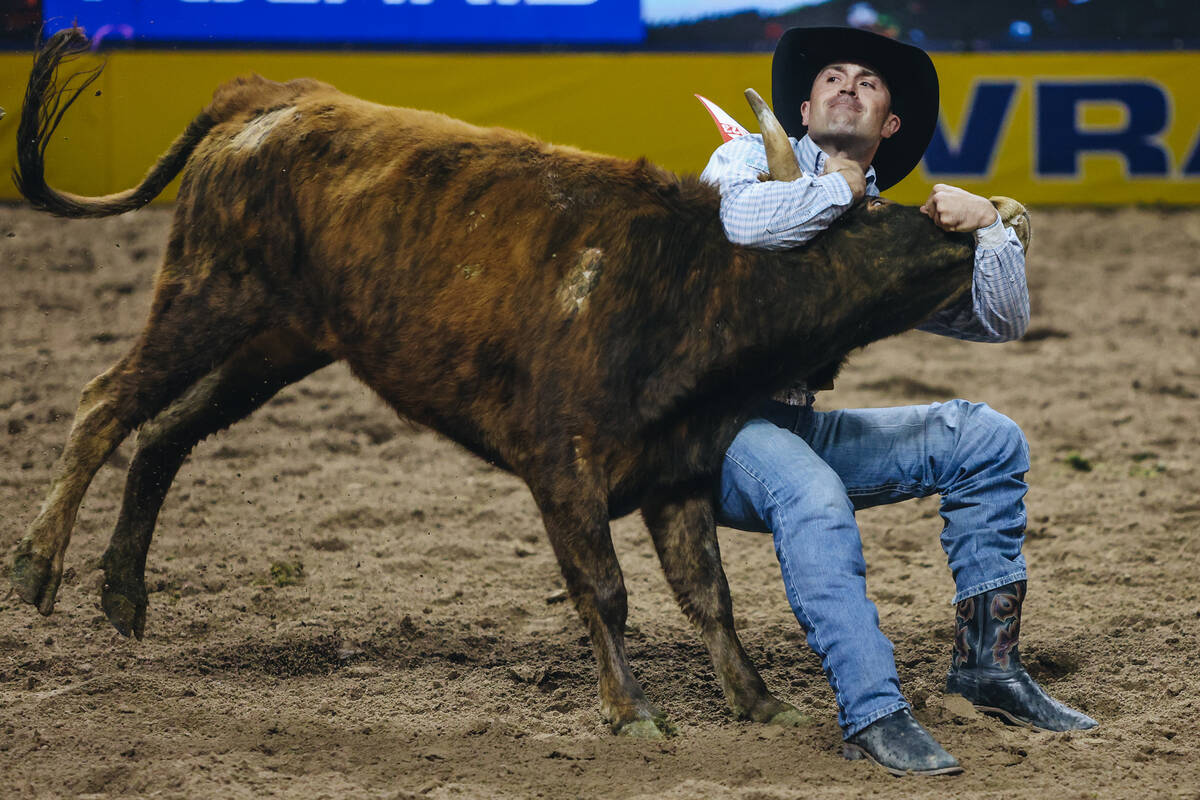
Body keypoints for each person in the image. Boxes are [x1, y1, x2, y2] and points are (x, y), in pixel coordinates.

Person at [699, 26, 1096, 777]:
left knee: (989, 439)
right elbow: (735, 223)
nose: (847, 84)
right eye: (832, 78)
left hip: (788, 425)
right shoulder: (748, 157)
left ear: (889, 126)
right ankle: (873, 711)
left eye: (868, 82)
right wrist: (837, 188)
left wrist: (991, 233)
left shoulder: (882, 229)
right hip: (707, 428)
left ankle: (986, 669)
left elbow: (1000, 321)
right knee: (815, 495)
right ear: (806, 107)